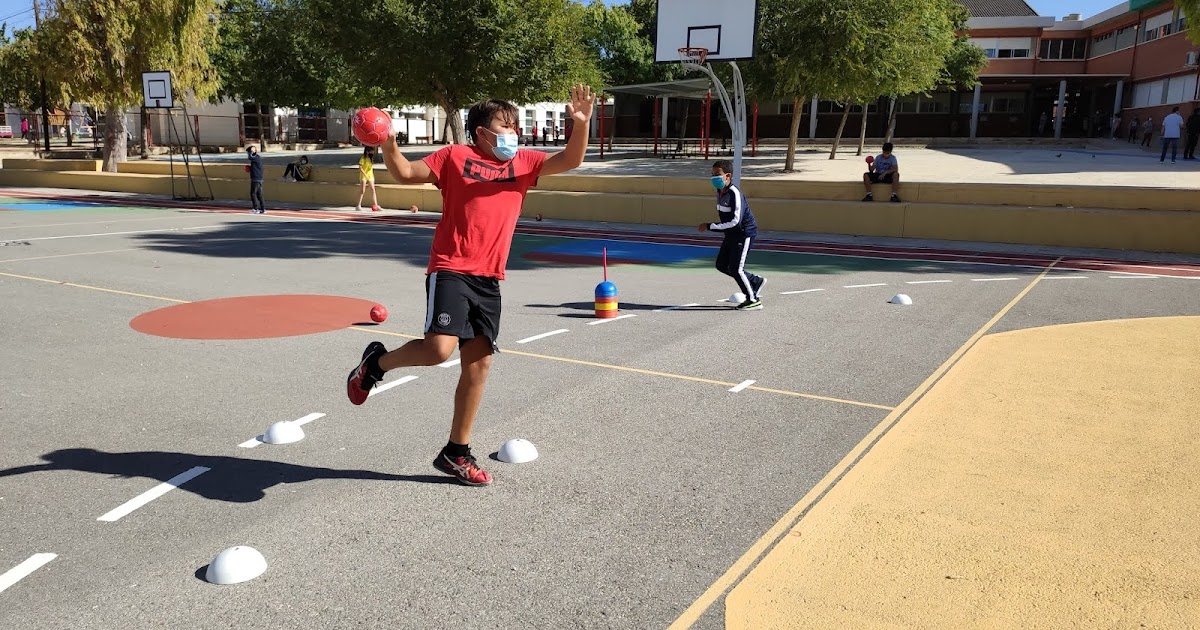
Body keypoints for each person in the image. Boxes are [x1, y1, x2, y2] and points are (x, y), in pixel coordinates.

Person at [344, 85, 595, 486]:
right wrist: (389, 142)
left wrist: (580, 125)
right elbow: (405, 173)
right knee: (438, 350)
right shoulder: (455, 156)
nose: (513, 132)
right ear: (481, 131)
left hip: (489, 277)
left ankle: (455, 453)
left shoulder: (524, 162)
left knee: (479, 366)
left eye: (516, 125)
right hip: (451, 267)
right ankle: (375, 364)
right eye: (504, 125)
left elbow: (571, 158)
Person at [699, 160, 765, 311]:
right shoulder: (720, 192)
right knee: (721, 265)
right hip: (731, 235)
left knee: (736, 269)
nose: (714, 178)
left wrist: (710, 226)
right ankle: (755, 281)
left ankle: (753, 300)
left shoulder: (735, 193)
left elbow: (736, 222)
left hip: (743, 234)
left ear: (727, 176)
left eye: (717, 174)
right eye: (712, 174)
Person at [356, 147, 380, 211]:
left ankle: (376, 204)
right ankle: (358, 205)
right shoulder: (363, 158)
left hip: (370, 176)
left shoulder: (370, 158)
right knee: (362, 190)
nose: (373, 153)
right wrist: (365, 175)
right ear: (367, 151)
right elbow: (360, 168)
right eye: (371, 151)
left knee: (373, 190)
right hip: (364, 176)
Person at [246, 146, 265, 214]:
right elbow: (255, 167)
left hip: (256, 178)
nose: (247, 154)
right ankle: (262, 208)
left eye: (248, 152)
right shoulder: (256, 158)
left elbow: (250, 157)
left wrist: (252, 151)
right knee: (259, 194)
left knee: (253, 193)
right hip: (258, 178)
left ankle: (255, 208)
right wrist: (250, 168)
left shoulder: (255, 157)